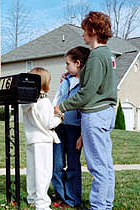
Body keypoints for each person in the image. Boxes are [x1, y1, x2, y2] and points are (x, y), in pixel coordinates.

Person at [54, 11, 117, 210]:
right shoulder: (106, 55)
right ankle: (106, 204)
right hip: (104, 112)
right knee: (105, 165)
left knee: (97, 166)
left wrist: (61, 106)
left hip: (95, 115)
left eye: (84, 31)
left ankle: (99, 206)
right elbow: (95, 85)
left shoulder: (98, 56)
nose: (83, 35)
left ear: (92, 31)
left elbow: (88, 92)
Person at [51, 46, 91, 208]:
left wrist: (82, 134)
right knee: (57, 164)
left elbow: (86, 110)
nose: (65, 67)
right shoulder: (65, 80)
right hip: (59, 128)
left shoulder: (86, 85)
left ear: (78, 63)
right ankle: (61, 196)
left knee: (73, 165)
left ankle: (73, 199)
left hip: (75, 130)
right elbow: (57, 100)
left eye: (68, 64)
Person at [21, 67, 63, 210]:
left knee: (32, 171)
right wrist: (59, 117)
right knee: (43, 173)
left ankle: (32, 197)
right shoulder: (44, 102)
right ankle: (42, 203)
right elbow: (48, 123)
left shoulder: (27, 102)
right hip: (43, 141)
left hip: (31, 139)